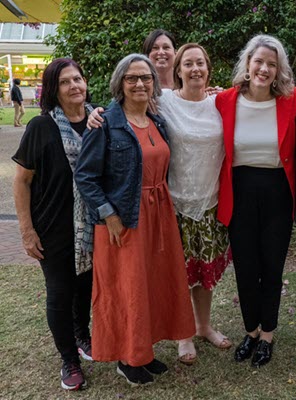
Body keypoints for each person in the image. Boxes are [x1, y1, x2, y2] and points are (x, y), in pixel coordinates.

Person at [75, 54, 195, 386]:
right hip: (124, 219)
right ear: (120, 84)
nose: (139, 84)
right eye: (132, 78)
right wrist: (108, 214)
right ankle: (127, 359)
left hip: (159, 214)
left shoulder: (158, 121)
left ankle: (145, 351)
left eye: (145, 78)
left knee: (153, 284)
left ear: (154, 84)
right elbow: (85, 177)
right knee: (128, 289)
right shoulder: (106, 123)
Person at [216, 34, 296, 367]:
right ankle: (250, 330)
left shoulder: (294, 99)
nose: (264, 69)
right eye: (259, 62)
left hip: (277, 191)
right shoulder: (224, 100)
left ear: (278, 70)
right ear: (247, 64)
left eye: (272, 64)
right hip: (239, 191)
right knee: (246, 267)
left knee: (272, 266)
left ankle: (268, 335)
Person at [12, 58, 94, 391]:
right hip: (53, 227)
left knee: (86, 288)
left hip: (93, 226)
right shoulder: (41, 127)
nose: (74, 86)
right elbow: (22, 181)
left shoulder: (99, 118)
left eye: (78, 79)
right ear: (53, 89)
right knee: (61, 293)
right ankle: (69, 359)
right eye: (65, 82)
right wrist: (26, 230)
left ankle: (83, 336)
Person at [163, 43, 232, 364]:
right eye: (188, 64)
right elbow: (124, 102)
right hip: (174, 206)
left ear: (208, 69)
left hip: (210, 204)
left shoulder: (220, 102)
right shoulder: (163, 102)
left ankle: (203, 326)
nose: (195, 69)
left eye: (200, 63)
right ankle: (183, 335)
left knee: (204, 274)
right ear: (178, 70)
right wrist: (96, 113)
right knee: (178, 275)